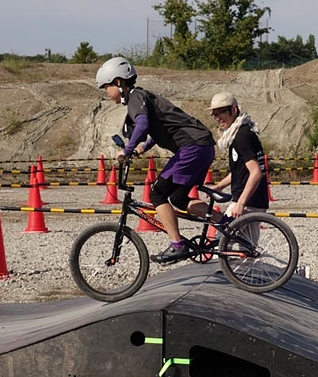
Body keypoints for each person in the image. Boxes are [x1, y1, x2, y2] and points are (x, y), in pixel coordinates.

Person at [96, 57, 215, 263]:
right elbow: (160, 125)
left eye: (106, 87)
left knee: (157, 194)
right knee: (178, 199)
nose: (106, 93)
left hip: (192, 147)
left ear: (118, 82)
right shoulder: (143, 96)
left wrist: (127, 150)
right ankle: (227, 224)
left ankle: (177, 245)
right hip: (202, 146)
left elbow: (142, 124)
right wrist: (144, 146)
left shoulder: (134, 96)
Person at [206, 92, 269, 221]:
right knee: (246, 241)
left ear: (233, 110)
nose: (217, 118)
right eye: (214, 114)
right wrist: (219, 186)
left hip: (248, 202)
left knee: (222, 239)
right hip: (253, 200)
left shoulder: (242, 136)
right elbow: (239, 171)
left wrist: (240, 203)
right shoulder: (238, 133)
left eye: (220, 113)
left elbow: (256, 172)